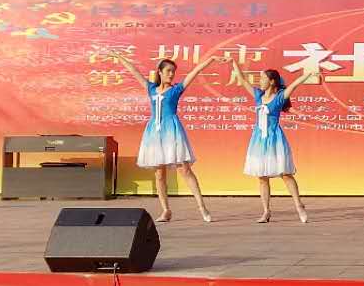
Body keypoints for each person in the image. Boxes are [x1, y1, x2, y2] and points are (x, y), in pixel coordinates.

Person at [104, 52, 218, 224]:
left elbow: (194, 72)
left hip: (172, 131)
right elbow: (134, 71)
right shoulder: (151, 88)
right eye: (168, 71)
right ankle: (166, 210)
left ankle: (202, 207)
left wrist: (211, 59)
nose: (171, 74)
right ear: (160, 72)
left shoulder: (176, 90)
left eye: (173, 71)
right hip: (154, 134)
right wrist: (119, 57)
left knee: (185, 170)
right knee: (159, 174)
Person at [229, 64, 312, 224]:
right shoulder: (258, 95)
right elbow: (243, 80)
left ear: (272, 81)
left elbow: (295, 84)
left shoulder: (280, 97)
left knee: (285, 174)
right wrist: (233, 62)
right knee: (262, 177)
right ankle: (266, 211)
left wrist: (310, 73)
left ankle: (299, 206)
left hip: (275, 139)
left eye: (263, 78)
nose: (260, 81)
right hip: (259, 140)